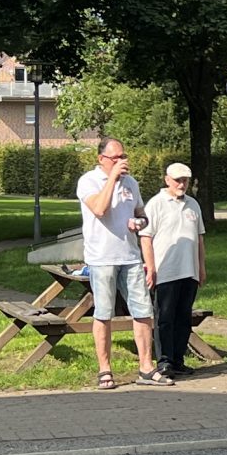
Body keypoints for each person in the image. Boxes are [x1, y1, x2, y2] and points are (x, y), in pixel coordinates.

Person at [74, 137, 157, 390]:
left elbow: (142, 215)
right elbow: (100, 209)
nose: (122, 161)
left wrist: (139, 222)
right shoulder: (88, 181)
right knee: (104, 313)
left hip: (130, 257)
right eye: (115, 158)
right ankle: (105, 370)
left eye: (123, 156)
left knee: (143, 312)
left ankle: (146, 367)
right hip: (101, 258)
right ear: (101, 159)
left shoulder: (132, 183)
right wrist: (112, 178)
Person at [144, 162, 206, 382]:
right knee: (165, 317)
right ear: (167, 180)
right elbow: (146, 238)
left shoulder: (193, 205)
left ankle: (178, 360)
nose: (182, 184)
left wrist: (201, 267)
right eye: (178, 180)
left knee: (183, 317)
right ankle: (164, 361)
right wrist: (151, 267)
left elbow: (199, 238)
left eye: (185, 181)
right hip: (166, 270)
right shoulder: (156, 204)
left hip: (189, 270)